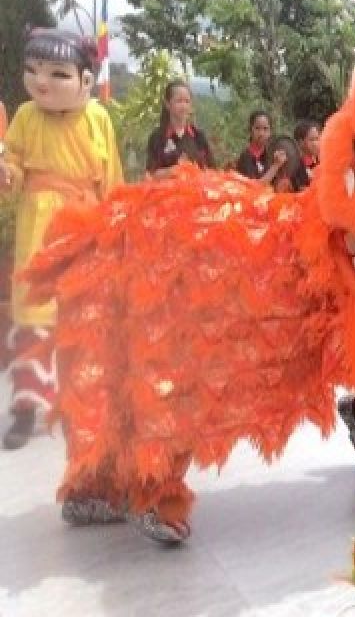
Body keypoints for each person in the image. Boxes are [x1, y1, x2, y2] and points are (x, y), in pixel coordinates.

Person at [1, 28, 124, 449]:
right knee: (33, 314)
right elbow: (14, 162)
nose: (41, 82)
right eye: (33, 71)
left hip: (83, 222)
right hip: (39, 223)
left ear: (85, 81)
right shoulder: (25, 116)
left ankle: (79, 404)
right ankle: (25, 407)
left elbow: (111, 179)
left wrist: (115, 225)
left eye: (56, 74)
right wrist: (8, 172)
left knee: (82, 316)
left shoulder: (98, 118)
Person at [144, 80, 213, 178]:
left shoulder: (198, 136)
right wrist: (176, 170)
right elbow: (151, 174)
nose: (184, 106)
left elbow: (211, 171)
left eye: (187, 101)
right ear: (167, 104)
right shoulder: (157, 137)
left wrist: (194, 171)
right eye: (179, 101)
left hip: (196, 191)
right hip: (167, 192)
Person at [235, 110, 288, 185]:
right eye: (257, 128)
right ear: (250, 130)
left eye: (265, 129)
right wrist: (276, 165)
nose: (261, 133)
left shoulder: (271, 155)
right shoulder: (245, 156)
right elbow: (255, 187)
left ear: (270, 132)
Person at [293, 120, 320, 189]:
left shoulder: (320, 160)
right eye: (312, 140)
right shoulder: (295, 165)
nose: (316, 144)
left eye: (317, 139)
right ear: (300, 142)